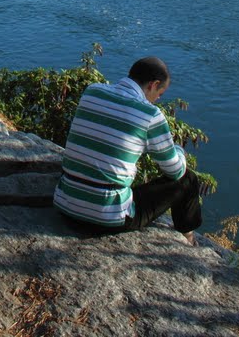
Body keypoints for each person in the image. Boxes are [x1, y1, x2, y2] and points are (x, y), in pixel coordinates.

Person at [53, 55, 202, 244]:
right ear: (153, 85)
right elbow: (175, 171)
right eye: (160, 93)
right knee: (188, 180)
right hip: (106, 219)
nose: (157, 99)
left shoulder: (92, 92)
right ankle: (187, 239)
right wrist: (179, 151)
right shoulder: (150, 114)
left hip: (65, 206)